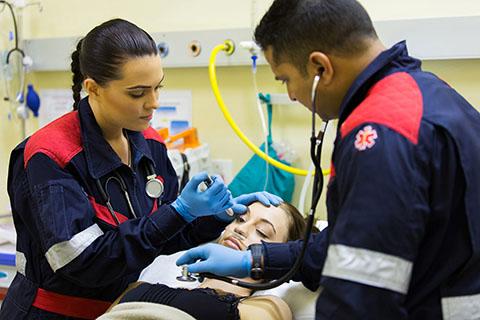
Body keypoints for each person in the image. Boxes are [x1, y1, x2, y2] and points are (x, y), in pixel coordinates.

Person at [176, 0, 480, 319]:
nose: (291, 95)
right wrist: (254, 259)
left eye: (285, 80)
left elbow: (359, 287)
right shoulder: (430, 95)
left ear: (321, 68)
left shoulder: (381, 133)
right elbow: (346, 244)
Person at [0, 18, 281, 320]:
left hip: (121, 305)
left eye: (158, 87)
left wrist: (216, 215)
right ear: (93, 88)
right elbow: (84, 264)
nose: (154, 103)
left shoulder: (149, 143)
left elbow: (166, 236)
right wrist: (180, 211)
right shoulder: (49, 155)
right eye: (137, 93)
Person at [99, 201, 308, 320]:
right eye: (240, 218)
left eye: (262, 232)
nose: (240, 228)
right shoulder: (140, 285)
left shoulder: (266, 307)